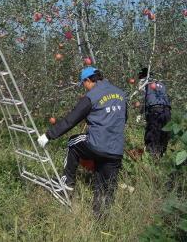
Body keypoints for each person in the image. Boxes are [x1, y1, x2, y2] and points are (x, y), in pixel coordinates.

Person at [37, 67, 127, 218]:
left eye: (83, 83)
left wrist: (48, 135)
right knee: (105, 187)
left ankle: (66, 185)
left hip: (97, 144)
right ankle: (101, 222)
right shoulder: (121, 93)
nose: (84, 87)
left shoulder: (91, 96)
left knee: (73, 142)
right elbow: (124, 118)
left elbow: (71, 120)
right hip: (116, 150)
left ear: (88, 80)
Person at [138, 67, 171, 158]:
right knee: (163, 136)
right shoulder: (161, 84)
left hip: (155, 112)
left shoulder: (145, 82)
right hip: (167, 111)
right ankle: (160, 157)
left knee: (152, 136)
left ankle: (151, 159)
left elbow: (144, 100)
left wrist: (140, 113)